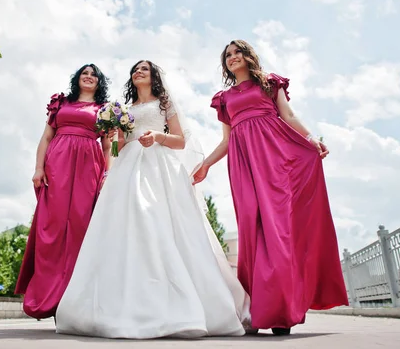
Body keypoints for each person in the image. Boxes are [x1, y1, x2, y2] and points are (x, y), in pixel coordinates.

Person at [55, 60, 250, 339]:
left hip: (160, 168)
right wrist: (113, 136)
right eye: (135, 69)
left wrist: (158, 136)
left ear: (154, 76)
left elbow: (180, 140)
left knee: (161, 224)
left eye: (144, 69)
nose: (138, 72)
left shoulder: (164, 103)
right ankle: (124, 304)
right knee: (127, 228)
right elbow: (119, 148)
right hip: (127, 170)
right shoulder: (123, 109)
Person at [193, 40, 349, 335]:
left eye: (238, 52)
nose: (233, 57)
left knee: (278, 229)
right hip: (243, 164)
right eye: (228, 55)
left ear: (249, 56)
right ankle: (258, 310)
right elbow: (226, 140)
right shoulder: (224, 99)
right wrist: (206, 165)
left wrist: (311, 139)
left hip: (275, 158)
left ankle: (280, 313)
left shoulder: (269, 84)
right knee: (251, 229)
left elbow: (288, 117)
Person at [15, 64, 112, 321]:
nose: (89, 77)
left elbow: (107, 145)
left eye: (94, 74)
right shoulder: (61, 103)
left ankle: (73, 301)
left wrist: (107, 174)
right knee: (53, 226)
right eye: (84, 73)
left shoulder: (104, 110)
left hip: (89, 165)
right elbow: (46, 137)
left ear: (99, 82)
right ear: (77, 79)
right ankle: (47, 296)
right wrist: (38, 168)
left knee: (82, 226)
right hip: (57, 162)